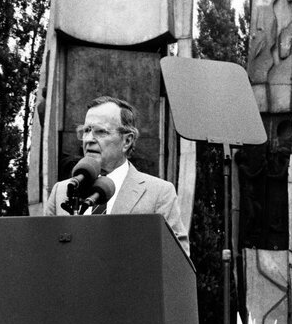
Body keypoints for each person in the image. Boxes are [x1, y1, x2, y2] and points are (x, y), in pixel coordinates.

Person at [45, 96, 189, 255]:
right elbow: (43, 253)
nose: (89, 139)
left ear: (127, 141)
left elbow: (178, 258)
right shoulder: (61, 191)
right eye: (86, 130)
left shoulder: (159, 193)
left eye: (100, 131)